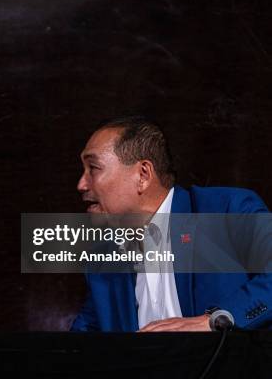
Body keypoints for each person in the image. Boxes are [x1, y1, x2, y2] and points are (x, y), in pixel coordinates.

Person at [70, 116, 271, 332]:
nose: (81, 184)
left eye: (93, 168)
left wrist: (213, 321)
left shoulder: (229, 209)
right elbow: (83, 341)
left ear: (143, 175)